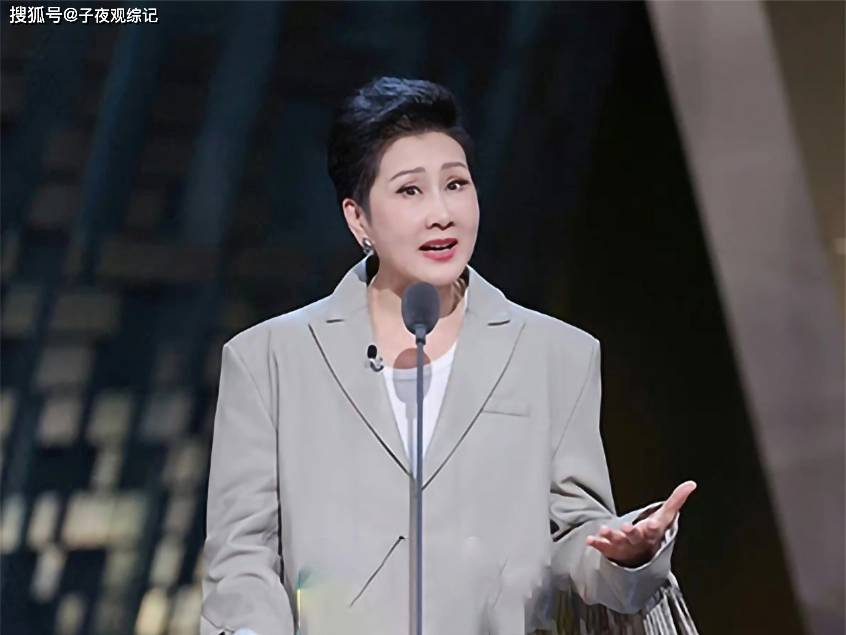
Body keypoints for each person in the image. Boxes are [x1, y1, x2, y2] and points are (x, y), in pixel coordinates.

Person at [200, 76, 698, 635]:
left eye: (456, 184)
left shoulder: (557, 356)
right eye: (410, 191)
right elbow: (241, 560)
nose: (442, 213)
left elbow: (575, 539)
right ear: (358, 218)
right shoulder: (268, 361)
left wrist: (624, 556)